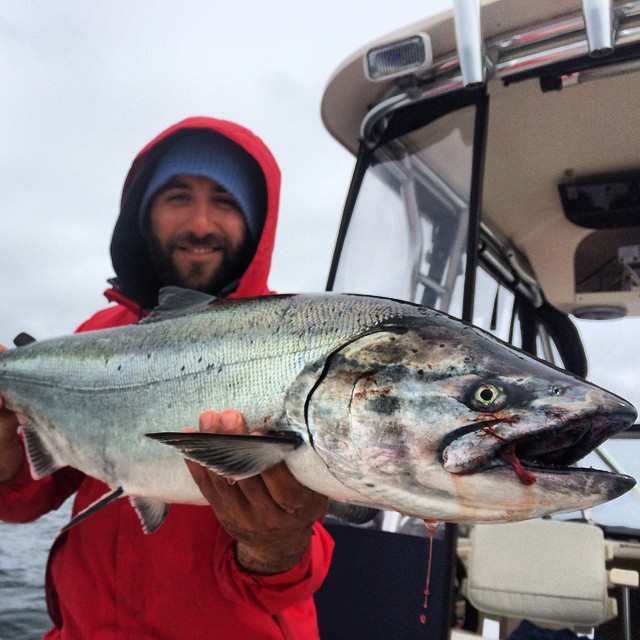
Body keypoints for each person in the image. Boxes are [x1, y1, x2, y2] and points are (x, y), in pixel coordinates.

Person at [0, 116, 333, 639]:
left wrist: (278, 548)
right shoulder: (96, 336)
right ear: (143, 211)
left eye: (224, 200)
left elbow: (295, 574)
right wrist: (6, 459)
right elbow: (28, 498)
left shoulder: (289, 347)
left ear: (256, 220)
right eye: (179, 196)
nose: (201, 223)